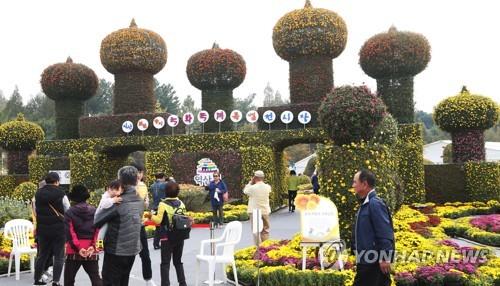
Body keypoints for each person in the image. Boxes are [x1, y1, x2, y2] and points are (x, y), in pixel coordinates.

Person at [94, 165, 145, 286]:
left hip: (116, 250)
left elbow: (97, 220)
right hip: (133, 249)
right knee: (123, 280)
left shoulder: (118, 202)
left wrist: (108, 198)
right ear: (136, 180)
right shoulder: (140, 201)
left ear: (120, 181)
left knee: (110, 281)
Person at [351, 169, 395, 286]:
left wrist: (385, 258)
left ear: (364, 184)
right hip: (366, 260)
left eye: (355, 182)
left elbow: (385, 232)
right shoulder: (365, 203)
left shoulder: (374, 204)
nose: (353, 185)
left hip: (373, 261)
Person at [150, 182, 188, 286]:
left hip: (167, 237)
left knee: (165, 263)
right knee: (178, 261)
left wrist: (150, 216)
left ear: (165, 192)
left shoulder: (163, 204)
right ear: (177, 192)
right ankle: (183, 283)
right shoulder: (181, 203)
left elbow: (158, 221)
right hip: (180, 236)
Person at [33, 172, 68, 286]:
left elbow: (35, 210)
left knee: (42, 255)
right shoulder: (61, 193)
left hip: (43, 230)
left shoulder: (38, 193)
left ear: (46, 181)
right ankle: (55, 281)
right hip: (59, 230)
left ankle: (37, 280)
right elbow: (68, 210)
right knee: (59, 256)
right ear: (57, 181)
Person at [64, 184, 102, 286]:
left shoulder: (69, 212)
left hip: (73, 249)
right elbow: (98, 231)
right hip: (91, 249)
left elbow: (70, 232)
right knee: (96, 278)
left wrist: (78, 248)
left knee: (69, 279)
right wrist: (94, 246)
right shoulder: (95, 211)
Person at [131, 163, 156, 286]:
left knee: (145, 254)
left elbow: (145, 204)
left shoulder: (143, 186)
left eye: (141, 172)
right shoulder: (124, 186)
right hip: (127, 226)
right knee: (127, 256)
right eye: (137, 172)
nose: (139, 175)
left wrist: (146, 203)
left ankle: (148, 278)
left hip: (140, 225)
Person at [243, 170, 272, 245]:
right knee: (265, 230)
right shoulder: (268, 187)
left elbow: (245, 191)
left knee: (256, 231)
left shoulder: (252, 188)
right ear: (263, 178)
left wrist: (250, 183)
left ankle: (258, 248)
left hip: (255, 211)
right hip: (265, 210)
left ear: (255, 177)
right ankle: (266, 247)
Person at [150, 172, 167, 249]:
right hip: (162, 207)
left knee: (158, 226)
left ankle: (156, 243)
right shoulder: (165, 184)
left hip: (154, 207)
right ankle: (164, 243)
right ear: (163, 177)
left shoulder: (152, 186)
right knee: (164, 226)